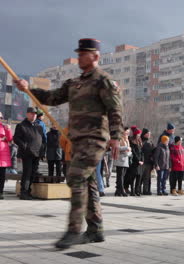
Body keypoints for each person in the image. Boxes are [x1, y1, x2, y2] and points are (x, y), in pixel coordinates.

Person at [14, 38, 124, 249]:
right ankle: (95, 230)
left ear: (96, 56)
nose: (80, 57)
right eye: (79, 53)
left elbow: (115, 109)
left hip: (94, 140)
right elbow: (52, 97)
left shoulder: (104, 81)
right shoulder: (74, 83)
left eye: (84, 54)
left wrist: (116, 136)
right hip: (77, 141)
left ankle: (73, 230)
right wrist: (28, 89)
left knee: (75, 177)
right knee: (88, 183)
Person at [13, 107, 46, 200]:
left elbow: (43, 140)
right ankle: (23, 192)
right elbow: (16, 138)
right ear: (27, 114)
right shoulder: (21, 125)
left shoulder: (39, 126)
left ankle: (28, 192)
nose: (34, 115)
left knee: (33, 174)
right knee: (27, 173)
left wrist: (42, 152)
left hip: (37, 153)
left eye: (35, 114)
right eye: (32, 113)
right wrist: (25, 146)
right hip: (27, 154)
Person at [114, 127, 131, 197]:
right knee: (120, 176)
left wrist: (129, 152)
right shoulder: (119, 138)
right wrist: (126, 148)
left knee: (122, 176)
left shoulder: (127, 139)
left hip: (125, 159)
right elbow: (117, 147)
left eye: (128, 132)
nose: (127, 133)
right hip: (120, 159)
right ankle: (122, 190)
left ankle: (118, 191)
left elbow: (129, 150)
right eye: (126, 132)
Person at [126, 128, 143, 196]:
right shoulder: (132, 142)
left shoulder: (140, 142)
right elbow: (133, 152)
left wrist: (142, 160)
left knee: (139, 177)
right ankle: (132, 191)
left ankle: (137, 190)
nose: (139, 135)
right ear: (136, 134)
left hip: (140, 163)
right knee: (133, 177)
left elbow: (142, 152)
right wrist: (138, 160)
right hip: (134, 163)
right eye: (138, 134)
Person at [0, 112, 13, 200]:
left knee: (2, 176)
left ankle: (0, 192)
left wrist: (8, 130)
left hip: (3, 156)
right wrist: (2, 139)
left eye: (0, 117)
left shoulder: (4, 127)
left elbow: (10, 139)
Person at [140, 128, 154, 195]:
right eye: (147, 134)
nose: (149, 135)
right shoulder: (141, 141)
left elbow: (153, 150)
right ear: (144, 134)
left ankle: (147, 190)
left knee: (147, 177)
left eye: (149, 134)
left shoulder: (150, 141)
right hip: (142, 161)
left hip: (149, 162)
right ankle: (138, 189)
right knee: (141, 177)